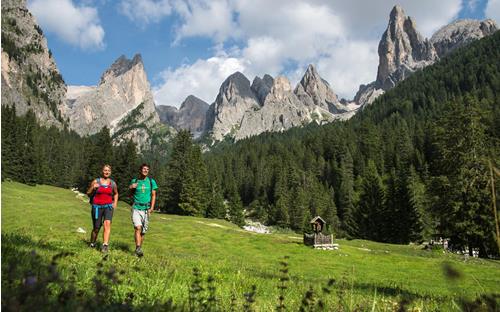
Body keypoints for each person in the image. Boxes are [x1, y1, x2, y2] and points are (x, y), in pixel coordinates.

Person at [87, 164, 118, 253]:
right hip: (96, 207)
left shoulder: (112, 183)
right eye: (105, 170)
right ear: (102, 171)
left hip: (108, 207)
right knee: (96, 227)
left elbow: (116, 193)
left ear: (110, 172)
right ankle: (92, 242)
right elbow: (88, 193)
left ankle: (105, 245)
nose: (106, 172)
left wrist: (114, 203)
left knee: (107, 223)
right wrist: (93, 187)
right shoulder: (96, 181)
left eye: (108, 171)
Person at [129, 163, 158, 257]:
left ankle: (138, 251)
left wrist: (152, 207)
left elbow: (153, 195)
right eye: (144, 169)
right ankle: (138, 248)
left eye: (147, 169)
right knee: (138, 227)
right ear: (140, 170)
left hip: (146, 209)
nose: (145, 170)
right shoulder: (135, 181)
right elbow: (130, 194)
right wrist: (130, 188)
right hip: (136, 207)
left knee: (143, 232)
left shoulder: (151, 181)